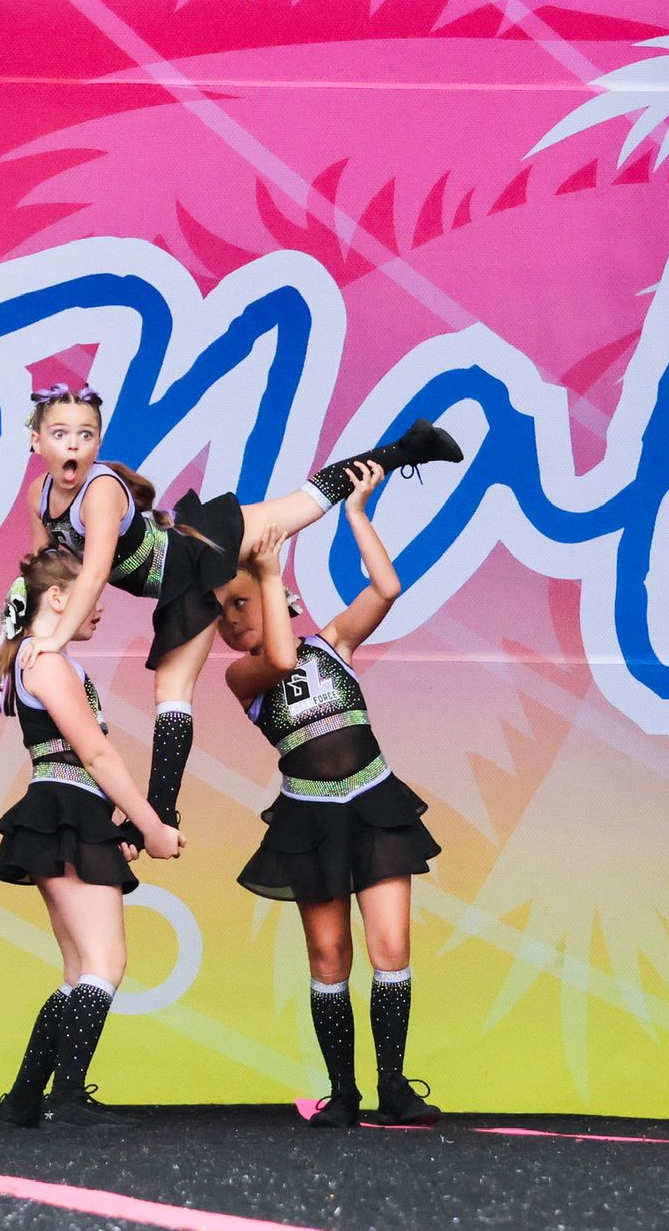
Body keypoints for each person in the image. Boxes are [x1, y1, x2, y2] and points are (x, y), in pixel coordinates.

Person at [22, 384, 461, 830]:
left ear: (98, 441)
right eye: (60, 434)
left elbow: (94, 572)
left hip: (197, 548)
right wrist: (26, 637)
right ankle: (158, 815)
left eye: (86, 434)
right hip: (179, 590)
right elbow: (45, 571)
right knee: (170, 696)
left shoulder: (99, 491)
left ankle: (408, 448)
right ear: (36, 441)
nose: (73, 444)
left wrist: (54, 639)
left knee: (304, 505)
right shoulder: (38, 495)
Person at [216, 469, 443, 1127]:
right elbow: (282, 661)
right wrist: (263, 571)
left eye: (240, 604)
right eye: (222, 611)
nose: (231, 621)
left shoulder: (333, 645)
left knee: (392, 947)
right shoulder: (243, 675)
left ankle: (394, 1087)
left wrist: (358, 512)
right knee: (328, 956)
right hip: (310, 817)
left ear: (275, 596)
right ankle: (342, 1094)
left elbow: (388, 588)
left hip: (374, 803)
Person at [0, 544, 183, 1128]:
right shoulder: (45, 662)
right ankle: (67, 1097)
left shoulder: (44, 658)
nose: (100, 610)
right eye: (92, 597)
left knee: (80, 969)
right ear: (56, 599)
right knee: (105, 961)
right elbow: (95, 753)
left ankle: (27, 1097)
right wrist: (151, 826)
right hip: (66, 807)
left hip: (67, 810)